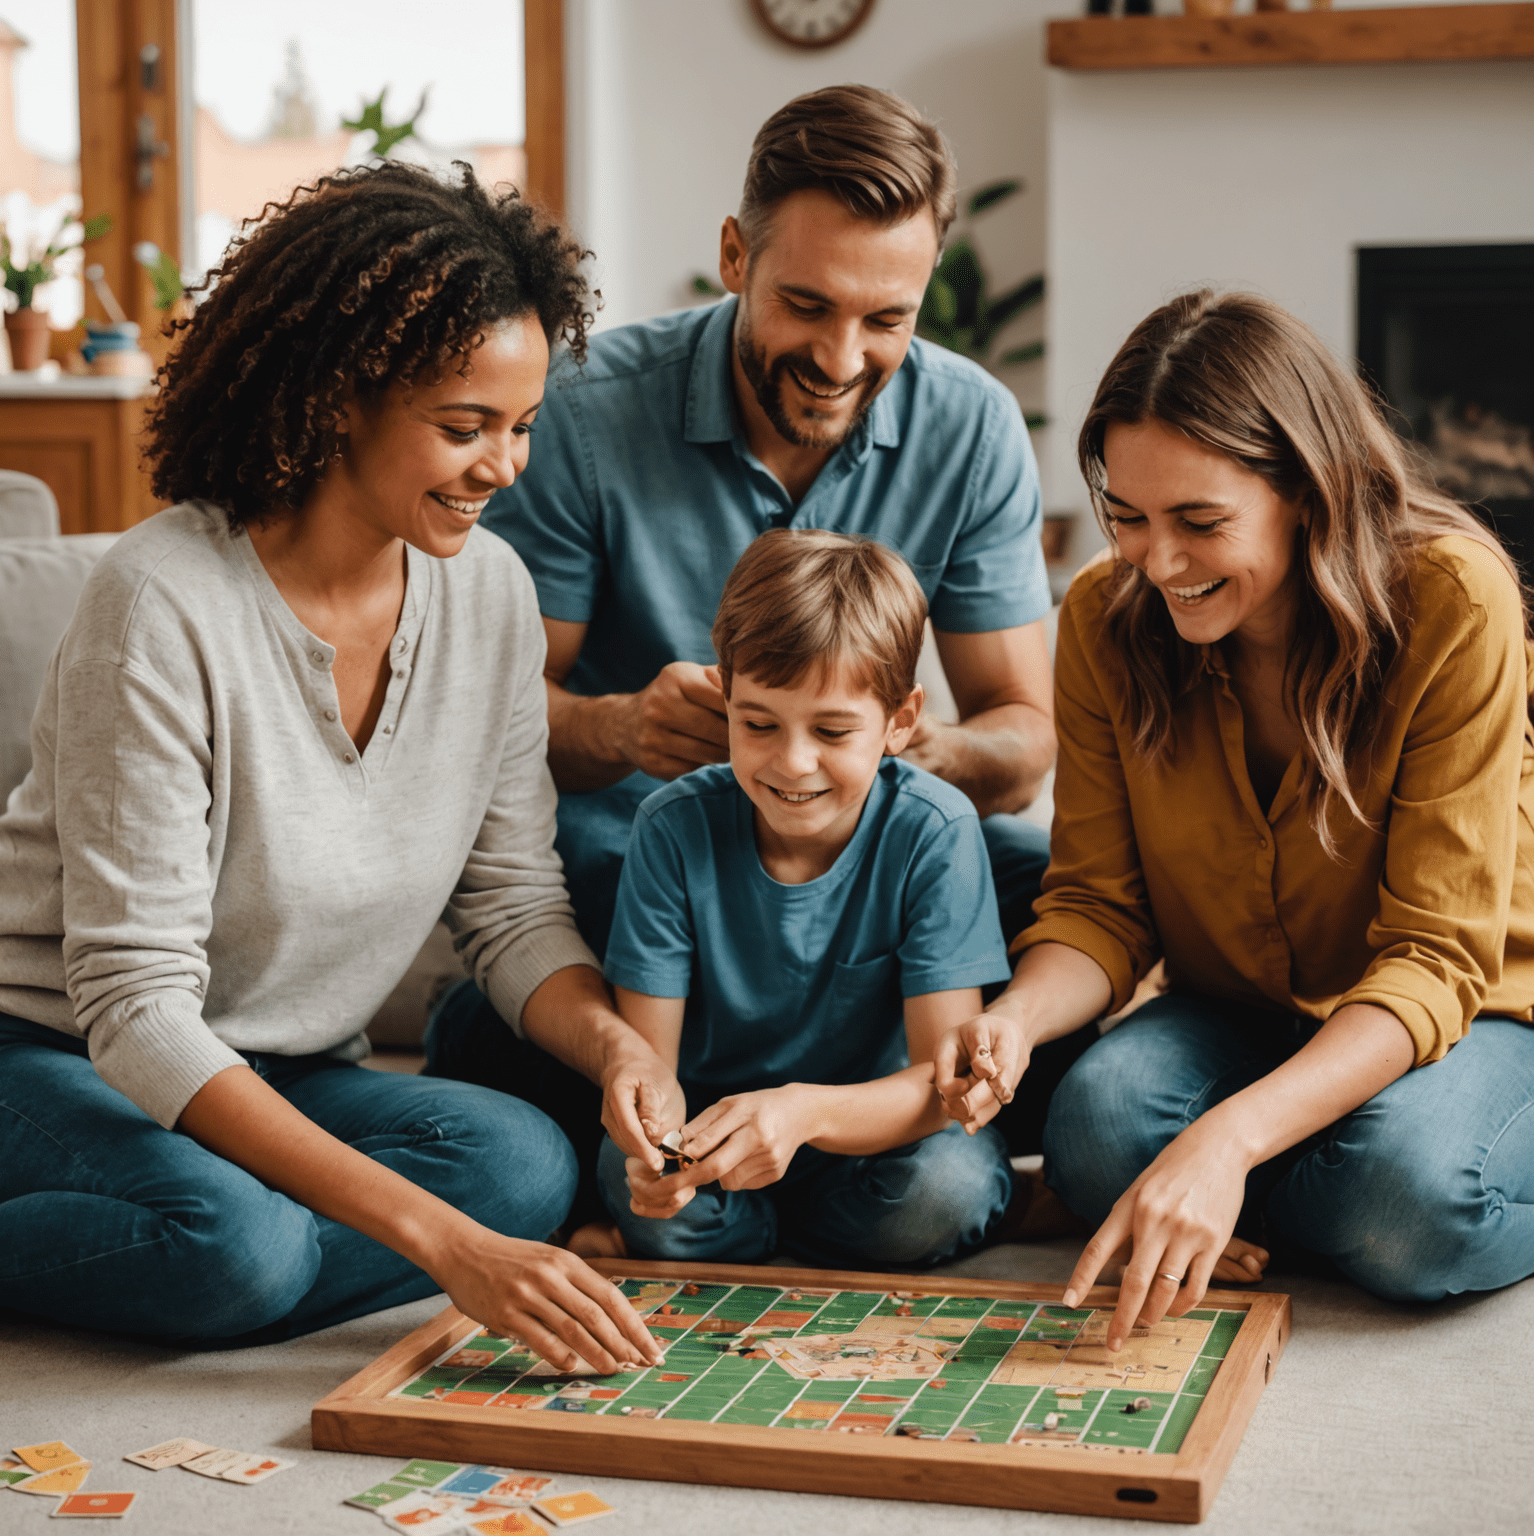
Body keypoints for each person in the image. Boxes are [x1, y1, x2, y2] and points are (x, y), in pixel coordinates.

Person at [0, 162, 668, 1370]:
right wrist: (446, 1249)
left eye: (522, 429)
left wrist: (617, 1046)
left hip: (286, 1069)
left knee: (521, 1163)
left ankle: (218, 1254)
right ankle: (221, 1254)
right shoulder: (161, 601)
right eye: (464, 429)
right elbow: (138, 1012)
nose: (503, 469)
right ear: (338, 399)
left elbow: (512, 908)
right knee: (241, 1244)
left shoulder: (495, 598)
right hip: (47, 1053)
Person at [429, 85, 1090, 1219]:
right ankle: (652, 1103)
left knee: (1039, 889)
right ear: (734, 256)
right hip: (644, 852)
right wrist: (620, 726)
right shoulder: (585, 413)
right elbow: (491, 711)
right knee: (589, 887)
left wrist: (883, 762)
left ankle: (835, 1118)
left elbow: (1023, 739)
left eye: (888, 320)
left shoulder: (971, 425)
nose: (842, 357)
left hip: (866, 863)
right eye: (806, 304)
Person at [935, 290, 1534, 1346]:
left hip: (1469, 1007)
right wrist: (1015, 1020)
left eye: (1200, 522)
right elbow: (1098, 908)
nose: (1157, 562)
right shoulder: (1102, 620)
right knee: (1090, 1129)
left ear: (1307, 490)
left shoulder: (1454, 597)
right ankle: (1294, 1175)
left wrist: (1224, 1142)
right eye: (1128, 517)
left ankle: (1297, 1178)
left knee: (1406, 1203)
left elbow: (1435, 959)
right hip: (1242, 1001)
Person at [597, 530, 1014, 1264]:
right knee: (640, 1193)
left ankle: (769, 1239)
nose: (792, 762)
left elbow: (935, 1083)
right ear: (724, 697)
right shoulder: (671, 828)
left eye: (831, 730)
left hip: (871, 1139)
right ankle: (782, 1237)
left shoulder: (936, 829)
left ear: (900, 722)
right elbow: (650, 1067)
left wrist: (803, 1112)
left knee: (947, 1189)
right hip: (714, 1139)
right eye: (757, 723)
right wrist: (656, 1153)